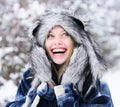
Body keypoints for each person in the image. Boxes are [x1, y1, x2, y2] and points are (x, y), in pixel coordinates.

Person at [6, 6, 114, 107]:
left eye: (65, 34)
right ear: (43, 44)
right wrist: (41, 97)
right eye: (50, 36)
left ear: (75, 41)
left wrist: (65, 96)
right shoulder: (30, 76)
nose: (57, 42)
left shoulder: (92, 78)